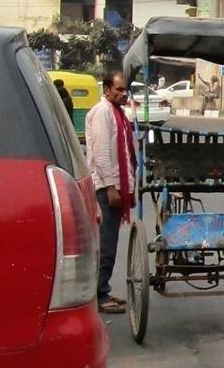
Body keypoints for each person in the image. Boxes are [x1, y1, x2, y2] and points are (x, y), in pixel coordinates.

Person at [85, 70, 136, 314]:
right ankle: (99, 295)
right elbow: (102, 154)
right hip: (107, 188)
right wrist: (110, 187)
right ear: (106, 90)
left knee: (110, 241)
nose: (123, 93)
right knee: (106, 243)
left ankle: (102, 289)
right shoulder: (102, 113)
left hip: (114, 186)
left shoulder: (119, 115)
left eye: (125, 89)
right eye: (118, 89)